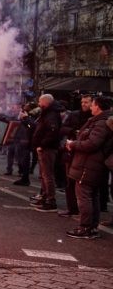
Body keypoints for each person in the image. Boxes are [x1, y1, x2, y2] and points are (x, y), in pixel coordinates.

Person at [66, 96, 113, 239]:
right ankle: (91, 228)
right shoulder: (102, 121)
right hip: (92, 164)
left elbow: (92, 144)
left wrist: (73, 144)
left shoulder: (101, 123)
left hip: (89, 164)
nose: (90, 107)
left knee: (85, 197)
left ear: (97, 106)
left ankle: (85, 228)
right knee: (92, 196)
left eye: (92, 105)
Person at [58, 95, 93, 216]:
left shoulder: (95, 117)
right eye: (82, 102)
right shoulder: (74, 114)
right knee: (70, 181)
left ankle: (93, 209)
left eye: (87, 102)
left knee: (87, 185)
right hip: (71, 151)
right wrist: (73, 131)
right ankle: (72, 208)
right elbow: (62, 128)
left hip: (87, 154)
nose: (84, 104)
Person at [30, 94, 63, 212]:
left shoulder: (51, 114)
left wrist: (42, 144)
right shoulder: (48, 113)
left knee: (47, 175)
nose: (38, 104)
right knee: (44, 175)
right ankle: (45, 197)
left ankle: (50, 201)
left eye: (40, 101)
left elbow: (52, 132)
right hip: (45, 148)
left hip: (47, 149)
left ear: (45, 102)